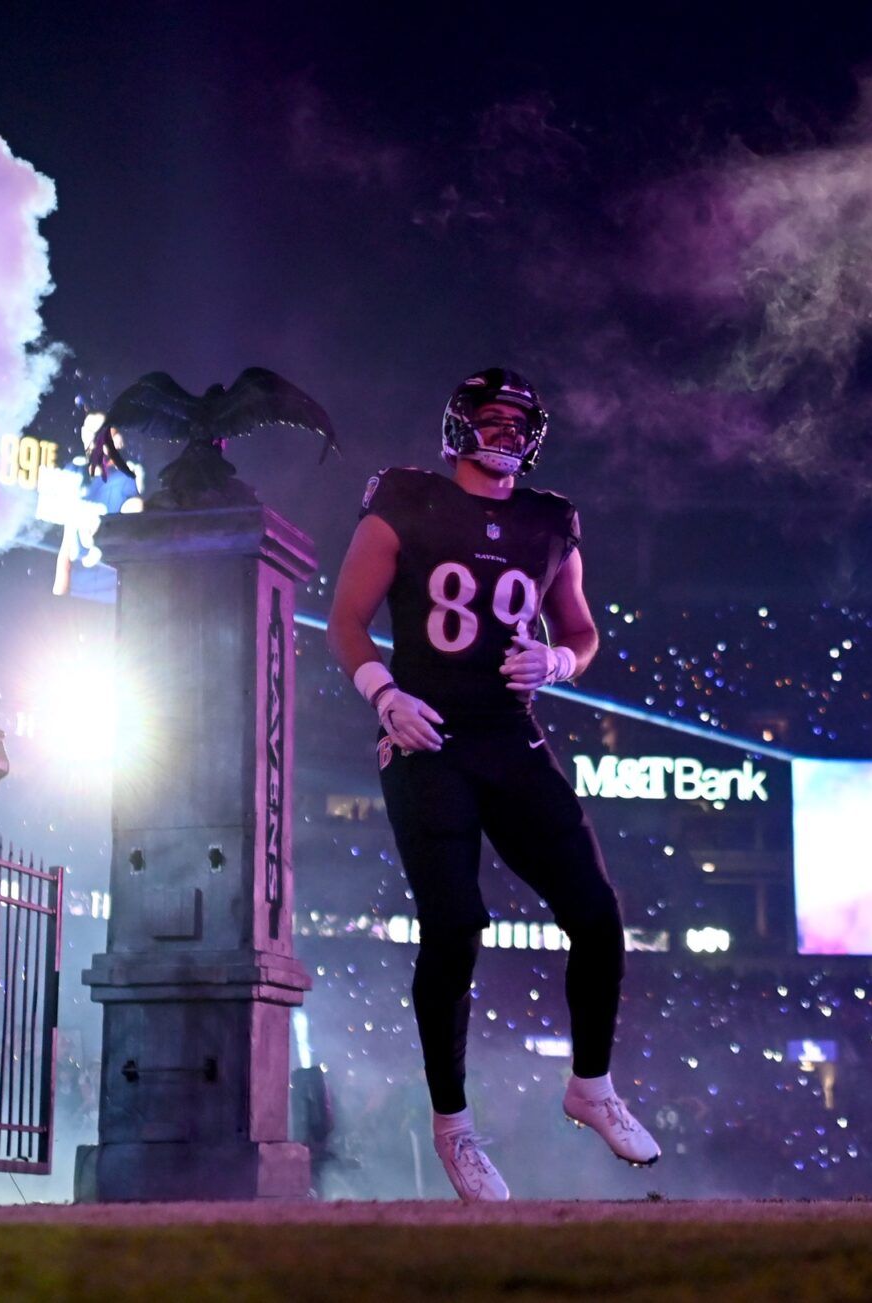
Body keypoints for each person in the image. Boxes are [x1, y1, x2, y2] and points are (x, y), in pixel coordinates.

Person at [326, 367, 659, 1203]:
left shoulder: (551, 522)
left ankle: (591, 1083)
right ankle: (454, 1127)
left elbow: (581, 630)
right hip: (426, 736)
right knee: (454, 928)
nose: (507, 433)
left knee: (596, 911)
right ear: (459, 423)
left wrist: (559, 660)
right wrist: (384, 692)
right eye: (494, 418)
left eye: (520, 422)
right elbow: (345, 619)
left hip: (510, 739)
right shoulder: (405, 498)